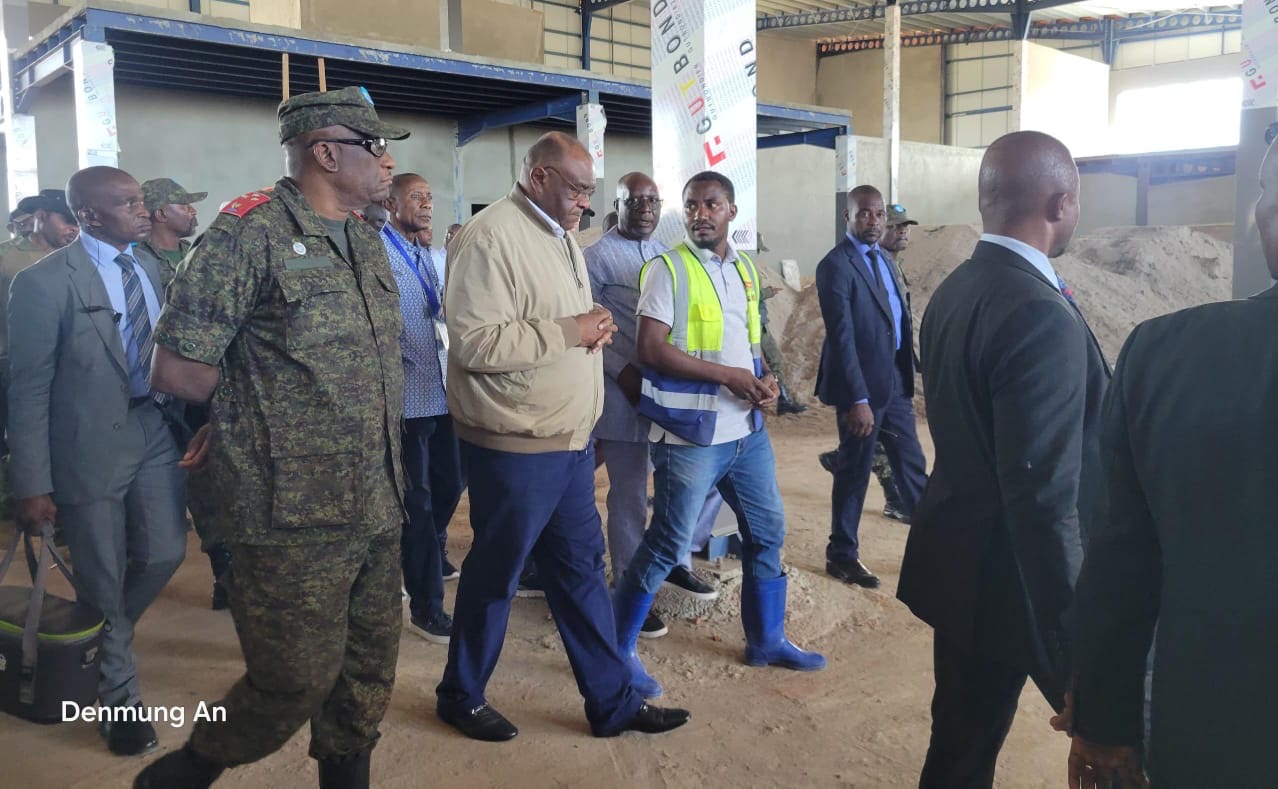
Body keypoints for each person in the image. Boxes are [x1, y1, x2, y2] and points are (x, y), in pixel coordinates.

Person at [135, 86, 409, 789]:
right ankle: (189, 769)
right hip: (290, 510)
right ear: (326, 153)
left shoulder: (366, 238)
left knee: (366, 675)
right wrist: (240, 419)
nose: (387, 162)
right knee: (294, 678)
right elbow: (178, 368)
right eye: (375, 147)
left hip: (377, 497)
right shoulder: (247, 233)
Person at [436, 131, 689, 742]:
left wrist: (588, 329)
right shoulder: (491, 237)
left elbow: (550, 323)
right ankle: (460, 696)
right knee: (496, 573)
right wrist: (572, 330)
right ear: (539, 177)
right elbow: (474, 344)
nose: (585, 201)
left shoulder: (560, 234)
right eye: (577, 189)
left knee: (580, 570)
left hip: (568, 440)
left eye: (589, 191)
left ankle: (613, 702)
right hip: (516, 444)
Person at [896, 131, 1109, 788]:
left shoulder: (958, 289)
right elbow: (1042, 500)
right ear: (1060, 203)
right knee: (1114, 746)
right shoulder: (1038, 311)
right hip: (1019, 584)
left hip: (963, 566)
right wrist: (1078, 648)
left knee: (960, 746)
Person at [1064, 139, 1278, 789]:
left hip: (1216, 740)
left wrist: (1103, 717)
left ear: (1265, 218)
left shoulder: (1168, 356)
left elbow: (1122, 563)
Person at [613, 170, 826, 701]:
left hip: (745, 432)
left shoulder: (745, 269)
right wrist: (728, 377)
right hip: (692, 436)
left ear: (732, 211)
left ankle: (766, 640)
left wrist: (763, 379)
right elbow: (650, 350)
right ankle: (615, 653)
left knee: (767, 532)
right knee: (667, 541)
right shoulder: (668, 270)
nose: (700, 214)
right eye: (691, 206)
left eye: (711, 205)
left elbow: (747, 342)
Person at [7, 166, 191, 757]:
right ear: (88, 216)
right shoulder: (44, 283)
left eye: (141, 201)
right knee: (102, 570)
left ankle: (108, 633)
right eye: (128, 202)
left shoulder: (151, 269)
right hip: (85, 445)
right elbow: (27, 389)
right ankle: (118, 697)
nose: (143, 210)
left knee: (165, 551)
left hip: (151, 426)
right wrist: (31, 482)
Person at [585, 171, 719, 641]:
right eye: (634, 200)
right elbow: (589, 330)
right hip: (623, 390)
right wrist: (622, 373)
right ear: (618, 205)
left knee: (679, 482)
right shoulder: (596, 259)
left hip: (669, 391)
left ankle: (674, 562)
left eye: (652, 201)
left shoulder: (668, 255)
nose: (644, 207)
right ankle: (627, 584)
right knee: (628, 493)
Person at [814, 186, 928, 589]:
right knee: (855, 471)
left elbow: (898, 322)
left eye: (879, 214)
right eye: (865, 213)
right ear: (847, 216)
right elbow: (842, 337)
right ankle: (842, 555)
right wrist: (857, 399)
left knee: (912, 465)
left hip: (893, 382)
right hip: (860, 389)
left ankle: (937, 549)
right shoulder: (836, 266)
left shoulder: (886, 262)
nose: (874, 221)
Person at [380, 172, 464, 644]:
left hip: (441, 390)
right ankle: (427, 606)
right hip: (404, 401)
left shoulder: (424, 256)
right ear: (391, 203)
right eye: (417, 197)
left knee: (452, 483)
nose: (427, 204)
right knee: (418, 500)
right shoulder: (379, 252)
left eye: (430, 197)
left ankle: (419, 555)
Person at [134, 178, 206, 287]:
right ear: (161, 214)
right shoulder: (138, 260)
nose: (194, 211)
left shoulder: (194, 252)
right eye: (185, 206)